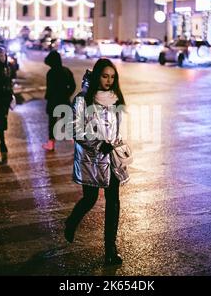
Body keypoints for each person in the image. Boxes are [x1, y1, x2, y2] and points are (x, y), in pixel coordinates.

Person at [64, 58, 129, 266]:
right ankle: (72, 221)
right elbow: (76, 130)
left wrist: (120, 146)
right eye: (104, 76)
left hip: (112, 158)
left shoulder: (116, 98)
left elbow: (118, 128)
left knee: (113, 202)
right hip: (90, 158)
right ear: (97, 76)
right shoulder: (83, 99)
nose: (108, 81)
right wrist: (99, 145)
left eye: (112, 77)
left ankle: (110, 249)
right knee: (90, 199)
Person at [42, 50, 76, 151]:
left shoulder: (51, 73)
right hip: (64, 100)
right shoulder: (66, 71)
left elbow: (50, 88)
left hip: (53, 101)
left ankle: (51, 144)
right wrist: (67, 94)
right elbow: (73, 85)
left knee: (52, 123)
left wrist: (47, 97)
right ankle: (77, 142)